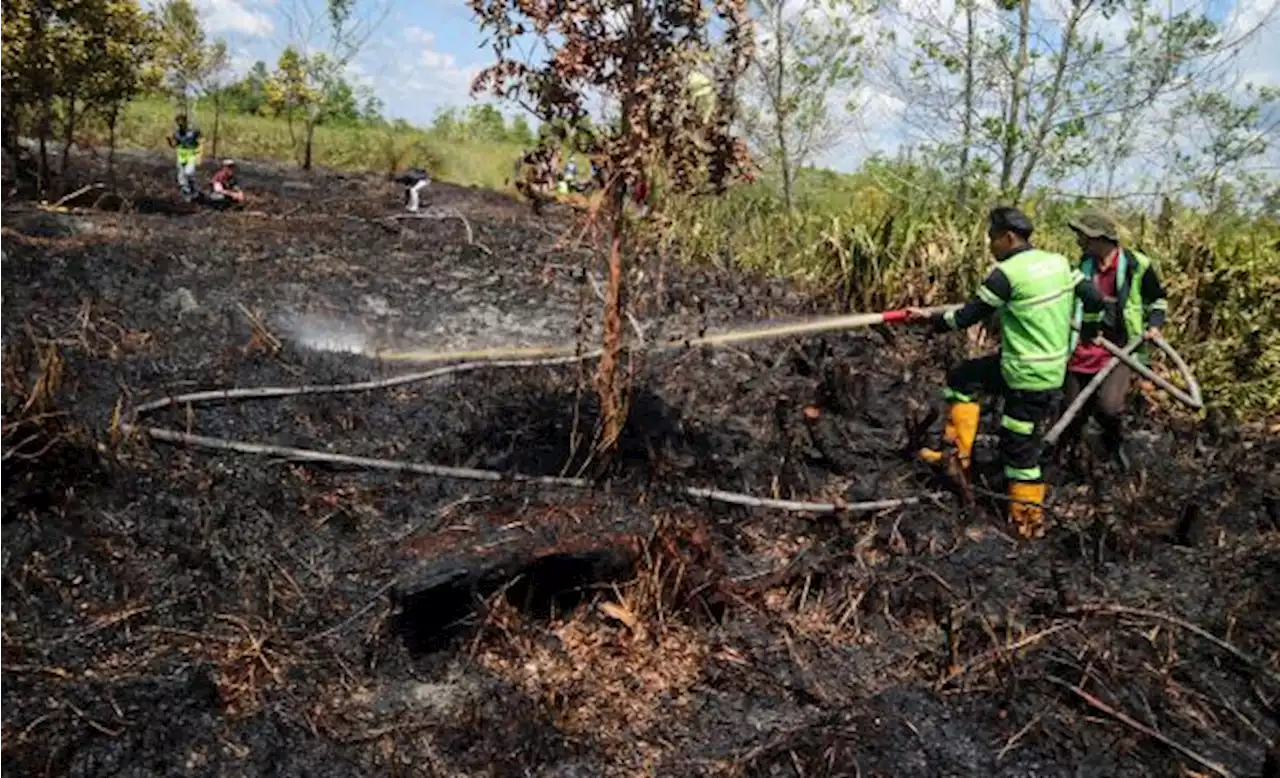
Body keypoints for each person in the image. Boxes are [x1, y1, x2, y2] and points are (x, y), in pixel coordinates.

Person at [909, 206, 1105, 538]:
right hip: (1044, 369)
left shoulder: (1007, 274)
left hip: (1025, 376)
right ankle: (957, 457)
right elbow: (1095, 299)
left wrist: (928, 320)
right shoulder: (1058, 263)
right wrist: (1088, 332)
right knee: (962, 378)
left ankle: (1027, 524)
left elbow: (967, 317)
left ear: (1008, 237)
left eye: (992, 239)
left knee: (1020, 449)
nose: (990, 246)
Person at [1057, 208, 1168, 472]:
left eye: (1084, 236)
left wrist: (1154, 326)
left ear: (1100, 239)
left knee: (1109, 408)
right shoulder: (1081, 267)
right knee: (1072, 411)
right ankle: (1069, 463)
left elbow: (1158, 299)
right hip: (1083, 346)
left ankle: (1114, 447)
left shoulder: (1136, 265)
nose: (1079, 241)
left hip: (1119, 348)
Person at [165, 114, 202, 202]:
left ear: (185, 122)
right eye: (178, 123)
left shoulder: (193, 132)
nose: (180, 124)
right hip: (181, 157)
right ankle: (187, 195)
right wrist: (169, 141)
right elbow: (174, 145)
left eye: (182, 122)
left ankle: (194, 190)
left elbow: (200, 141)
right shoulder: (177, 133)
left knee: (189, 173)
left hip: (191, 156)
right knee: (182, 178)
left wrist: (199, 154)